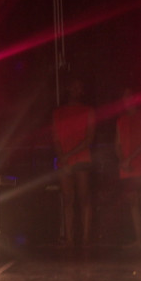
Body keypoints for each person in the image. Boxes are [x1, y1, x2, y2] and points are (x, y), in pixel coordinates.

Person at [52, 78, 95, 247]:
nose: (76, 90)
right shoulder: (58, 113)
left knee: (84, 198)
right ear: (68, 88)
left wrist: (68, 155)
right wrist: (63, 157)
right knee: (68, 200)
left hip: (81, 157)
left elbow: (89, 138)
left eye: (79, 87)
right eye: (74, 86)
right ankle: (69, 239)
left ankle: (86, 239)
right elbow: (55, 138)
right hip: (65, 160)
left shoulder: (88, 110)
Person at [115, 88, 141, 248]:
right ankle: (140, 239)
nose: (127, 101)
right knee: (133, 201)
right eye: (125, 98)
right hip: (126, 167)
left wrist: (129, 159)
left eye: (130, 97)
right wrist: (123, 161)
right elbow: (117, 144)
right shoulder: (120, 120)